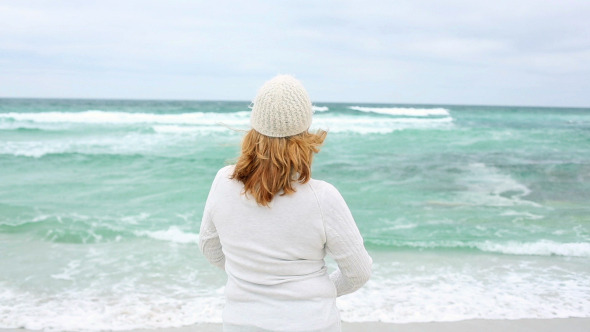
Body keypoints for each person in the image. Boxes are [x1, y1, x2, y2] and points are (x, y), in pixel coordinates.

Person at [199, 75, 372, 332]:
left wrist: (253, 278)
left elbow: (210, 249)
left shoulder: (223, 181)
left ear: (254, 128)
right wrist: (316, 291)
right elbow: (358, 273)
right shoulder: (323, 196)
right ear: (305, 133)